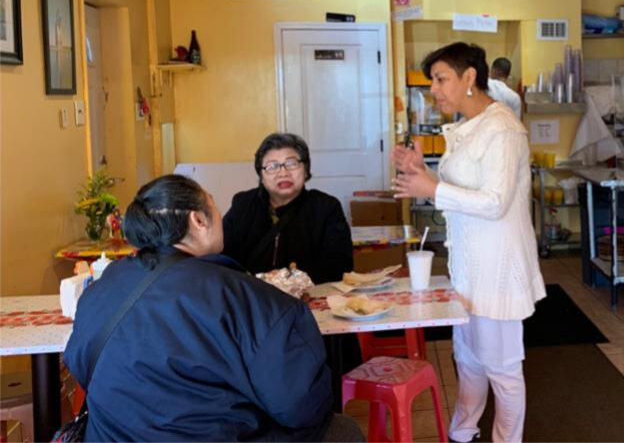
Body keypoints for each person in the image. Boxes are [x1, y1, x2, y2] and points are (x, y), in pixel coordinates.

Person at [64, 175, 365, 443]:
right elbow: (302, 405)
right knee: (344, 430)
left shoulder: (104, 285)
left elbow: (80, 364)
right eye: (214, 205)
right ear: (198, 220)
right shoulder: (244, 295)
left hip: (113, 435)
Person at [392, 42, 545, 443]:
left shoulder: (503, 129)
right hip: (469, 268)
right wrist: (419, 173)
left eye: (441, 79)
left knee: (503, 369)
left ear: (470, 77)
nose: (435, 90)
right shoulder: (467, 127)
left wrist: (431, 186)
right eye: (432, 82)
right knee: (470, 359)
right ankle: (462, 432)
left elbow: (494, 203)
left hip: (497, 268)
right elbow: (456, 194)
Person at [223, 132, 353, 284]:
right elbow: (222, 258)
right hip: (253, 299)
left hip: (305, 301)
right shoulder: (243, 204)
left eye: (291, 164)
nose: (283, 173)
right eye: (272, 166)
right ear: (261, 175)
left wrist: (285, 280)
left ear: (306, 170)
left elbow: (340, 266)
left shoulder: (326, 207)